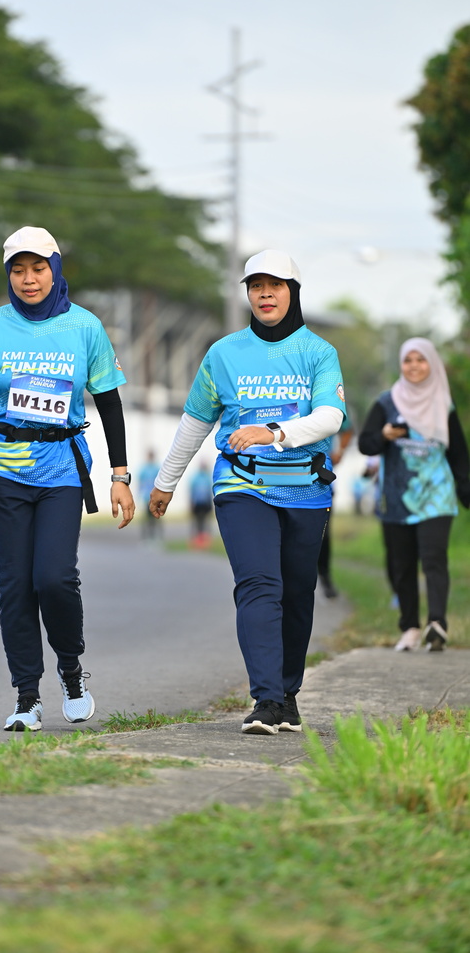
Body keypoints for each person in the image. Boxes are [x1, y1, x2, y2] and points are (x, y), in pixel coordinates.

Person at [149, 250, 345, 735]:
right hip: (242, 484)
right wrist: (166, 482)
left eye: (275, 285)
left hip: (304, 488)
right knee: (259, 584)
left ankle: (288, 695)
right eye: (256, 286)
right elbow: (195, 421)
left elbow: (330, 418)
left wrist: (273, 432)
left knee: (297, 593)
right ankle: (266, 699)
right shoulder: (223, 353)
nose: (265, 294)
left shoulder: (318, 352)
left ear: (292, 292)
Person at [0, 226, 135, 732]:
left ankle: (72, 672)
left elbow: (110, 402)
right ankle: (27, 697)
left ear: (54, 269)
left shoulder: (84, 327)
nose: (28, 279)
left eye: (38, 268)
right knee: (14, 585)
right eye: (18, 270)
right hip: (3, 469)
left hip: (61, 469)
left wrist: (119, 474)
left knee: (54, 578)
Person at [358, 338, 470, 652]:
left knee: (434, 558)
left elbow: (459, 455)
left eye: (421, 360)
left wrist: (465, 489)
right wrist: (384, 435)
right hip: (397, 497)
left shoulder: (444, 404)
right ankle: (409, 627)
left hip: (437, 495)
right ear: (401, 365)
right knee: (402, 564)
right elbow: (366, 444)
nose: (414, 366)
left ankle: (437, 624)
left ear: (431, 364)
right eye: (408, 360)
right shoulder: (386, 402)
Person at [317, 416, 354, 597]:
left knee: (323, 533)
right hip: (287, 478)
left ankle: (325, 577)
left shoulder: (327, 401)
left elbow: (347, 429)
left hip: (321, 479)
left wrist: (340, 452)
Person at [189, 460, 213, 548]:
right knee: (197, 522)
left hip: (205, 503)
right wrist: (191, 503)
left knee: (205, 522)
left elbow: (209, 492)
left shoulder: (207, 477)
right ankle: (197, 541)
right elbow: (192, 491)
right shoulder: (196, 478)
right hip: (197, 503)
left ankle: (205, 540)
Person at [137, 450, 160, 540]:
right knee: (147, 518)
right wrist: (139, 494)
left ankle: (155, 536)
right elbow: (140, 482)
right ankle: (145, 537)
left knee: (156, 517)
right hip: (147, 497)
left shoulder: (156, 468)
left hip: (155, 497)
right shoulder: (144, 469)